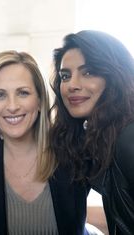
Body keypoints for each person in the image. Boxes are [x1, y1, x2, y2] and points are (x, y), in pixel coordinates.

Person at [0, 50, 89, 235]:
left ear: (40, 100)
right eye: (0, 95)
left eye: (23, 93)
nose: (12, 106)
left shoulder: (74, 149)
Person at [50, 30, 134, 235]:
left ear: (115, 76)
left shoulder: (128, 137)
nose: (72, 85)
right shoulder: (99, 136)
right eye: (65, 76)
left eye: (88, 72)